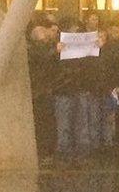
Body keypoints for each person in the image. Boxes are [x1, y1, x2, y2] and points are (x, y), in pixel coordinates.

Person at [51, 17, 99, 163]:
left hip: (79, 87)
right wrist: (55, 52)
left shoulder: (81, 46)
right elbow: (47, 66)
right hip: (64, 89)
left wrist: (95, 48)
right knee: (65, 123)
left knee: (81, 123)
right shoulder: (56, 45)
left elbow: (92, 65)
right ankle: (64, 152)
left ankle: (81, 153)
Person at [27, 22, 58, 161]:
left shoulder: (44, 50)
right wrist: (53, 51)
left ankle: (48, 151)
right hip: (38, 92)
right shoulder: (33, 51)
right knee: (41, 123)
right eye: (43, 40)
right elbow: (41, 59)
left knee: (48, 122)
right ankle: (43, 151)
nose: (46, 42)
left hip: (45, 89)